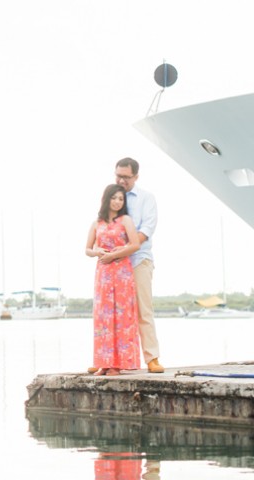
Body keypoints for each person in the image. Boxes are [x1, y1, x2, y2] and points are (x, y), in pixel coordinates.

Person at [85, 183, 141, 375]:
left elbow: (135, 245)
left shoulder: (126, 220)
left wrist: (114, 255)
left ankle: (117, 364)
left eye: (121, 199)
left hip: (122, 272)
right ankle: (104, 362)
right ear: (106, 199)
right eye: (114, 198)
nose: (117, 202)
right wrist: (97, 252)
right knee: (103, 316)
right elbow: (87, 249)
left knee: (121, 316)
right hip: (103, 274)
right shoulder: (97, 223)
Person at [115, 156, 163, 373]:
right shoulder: (111, 196)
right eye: (118, 176)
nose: (121, 180)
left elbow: (146, 230)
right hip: (115, 263)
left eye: (126, 177)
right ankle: (110, 360)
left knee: (144, 310)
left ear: (136, 176)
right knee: (114, 312)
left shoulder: (146, 198)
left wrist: (126, 248)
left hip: (138, 260)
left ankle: (152, 357)